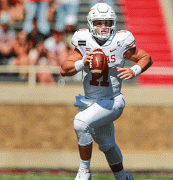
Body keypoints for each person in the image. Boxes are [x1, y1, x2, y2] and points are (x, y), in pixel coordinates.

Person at [60, 3, 153, 180]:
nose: (103, 27)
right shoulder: (83, 40)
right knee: (107, 145)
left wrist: (134, 70)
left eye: (107, 22)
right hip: (92, 101)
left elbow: (145, 57)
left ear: (113, 23)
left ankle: (84, 171)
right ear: (91, 23)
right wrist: (82, 63)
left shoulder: (121, 40)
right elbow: (64, 69)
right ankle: (123, 177)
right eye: (99, 22)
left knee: (80, 122)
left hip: (113, 100)